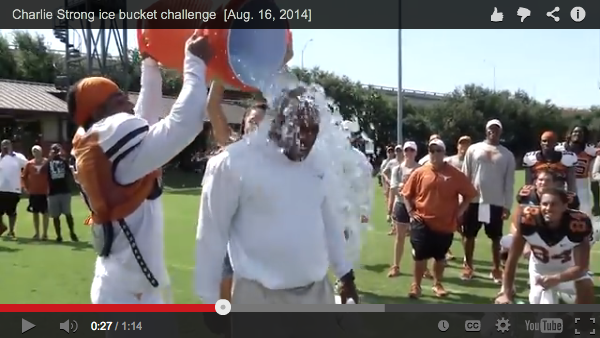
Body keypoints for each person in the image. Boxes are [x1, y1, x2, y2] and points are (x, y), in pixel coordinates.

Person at [69, 33, 212, 304]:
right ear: (100, 114)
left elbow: (146, 119)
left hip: (128, 287)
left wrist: (150, 64)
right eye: (117, 99)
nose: (126, 99)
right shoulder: (110, 145)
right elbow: (185, 124)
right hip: (128, 296)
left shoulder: (101, 145)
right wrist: (194, 63)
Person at [194, 88, 359, 304]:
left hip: (317, 294)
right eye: (300, 129)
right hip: (259, 298)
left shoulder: (318, 164)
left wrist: (346, 276)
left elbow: (331, 225)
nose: (307, 138)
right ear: (279, 123)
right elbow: (211, 236)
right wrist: (209, 300)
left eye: (313, 130)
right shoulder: (234, 163)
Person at [205, 85, 268, 302]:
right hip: (231, 241)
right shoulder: (234, 150)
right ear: (244, 125)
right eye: (253, 121)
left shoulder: (279, 158)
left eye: (264, 122)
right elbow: (212, 106)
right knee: (226, 303)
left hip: (263, 245)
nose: (257, 127)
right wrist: (219, 76)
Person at [401, 139, 477, 299]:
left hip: (445, 223)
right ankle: (416, 285)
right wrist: (410, 212)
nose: (435, 154)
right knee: (420, 255)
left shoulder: (454, 174)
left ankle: (437, 283)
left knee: (440, 256)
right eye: (431, 150)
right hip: (422, 221)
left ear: (444, 153)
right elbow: (406, 193)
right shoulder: (420, 172)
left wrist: (459, 212)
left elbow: (470, 194)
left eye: (438, 151)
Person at [496, 188, 595, 304]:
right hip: (540, 273)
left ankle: (581, 320)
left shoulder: (578, 224)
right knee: (546, 315)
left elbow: (581, 267)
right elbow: (512, 260)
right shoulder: (528, 220)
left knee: (586, 283)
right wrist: (506, 294)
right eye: (544, 204)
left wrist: (557, 278)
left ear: (564, 206)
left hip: (569, 271)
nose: (548, 208)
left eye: (554, 204)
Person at [461, 119, 516, 283]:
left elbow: (509, 182)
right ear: (486, 130)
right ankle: (468, 266)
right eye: (491, 128)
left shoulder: (507, 155)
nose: (494, 131)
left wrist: (507, 205)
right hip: (474, 201)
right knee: (469, 235)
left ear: (501, 132)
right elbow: (465, 175)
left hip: (495, 202)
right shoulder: (474, 149)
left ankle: (496, 269)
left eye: (497, 129)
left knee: (495, 238)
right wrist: (463, 200)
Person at [387, 141, 420, 277]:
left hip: (417, 206)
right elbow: (394, 188)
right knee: (400, 237)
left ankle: (422, 268)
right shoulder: (397, 169)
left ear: (416, 152)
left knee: (418, 239)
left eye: (412, 150)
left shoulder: (420, 169)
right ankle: (396, 266)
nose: (408, 153)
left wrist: (405, 188)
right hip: (401, 205)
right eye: (406, 150)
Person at [555, 126, 597, 216]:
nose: (577, 134)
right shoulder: (558, 149)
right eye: (575, 132)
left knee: (584, 215)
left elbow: (594, 175)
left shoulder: (591, 151)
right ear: (570, 134)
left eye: (581, 132)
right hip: (562, 185)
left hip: (583, 187)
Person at [46, 143, 78, 242]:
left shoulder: (61, 162)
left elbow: (69, 173)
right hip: (57, 191)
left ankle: (68, 233)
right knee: (60, 215)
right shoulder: (52, 162)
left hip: (60, 191)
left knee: (64, 215)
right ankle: (62, 235)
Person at [0, 139, 28, 238]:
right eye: (3, 145)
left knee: (12, 212)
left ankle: (11, 231)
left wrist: (26, 184)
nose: (5, 147)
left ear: (11, 146)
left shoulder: (18, 157)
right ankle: (2, 227)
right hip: (0, 189)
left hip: (13, 189)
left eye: (7, 145)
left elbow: (28, 166)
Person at [21, 145, 49, 240]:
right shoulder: (29, 164)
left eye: (38, 151)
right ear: (33, 153)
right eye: (34, 151)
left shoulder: (47, 162)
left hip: (45, 192)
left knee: (45, 213)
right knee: (35, 213)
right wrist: (25, 188)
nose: (36, 153)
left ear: (41, 152)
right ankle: (37, 233)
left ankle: (45, 234)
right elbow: (23, 177)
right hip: (33, 192)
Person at [381, 145, 402, 235]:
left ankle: (405, 228)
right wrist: (387, 180)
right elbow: (384, 172)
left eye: (399, 151)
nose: (398, 153)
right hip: (392, 188)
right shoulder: (391, 162)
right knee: (393, 207)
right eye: (397, 151)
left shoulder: (406, 162)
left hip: (403, 188)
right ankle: (394, 228)